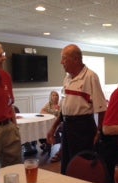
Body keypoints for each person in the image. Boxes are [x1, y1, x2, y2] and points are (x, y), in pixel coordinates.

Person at [47, 44, 107, 174]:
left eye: (64, 58)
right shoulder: (67, 78)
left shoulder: (90, 76)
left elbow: (102, 108)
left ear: (76, 59)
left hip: (84, 128)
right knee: (67, 163)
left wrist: (99, 132)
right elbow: (64, 109)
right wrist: (53, 127)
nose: (61, 62)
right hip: (68, 127)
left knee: (82, 165)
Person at [39, 91, 61, 155]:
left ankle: (47, 145)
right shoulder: (49, 104)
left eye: (56, 95)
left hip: (57, 123)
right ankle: (46, 144)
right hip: (50, 122)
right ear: (51, 97)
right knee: (42, 128)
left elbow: (60, 116)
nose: (55, 97)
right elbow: (42, 111)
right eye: (53, 95)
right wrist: (51, 115)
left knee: (50, 130)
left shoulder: (60, 105)